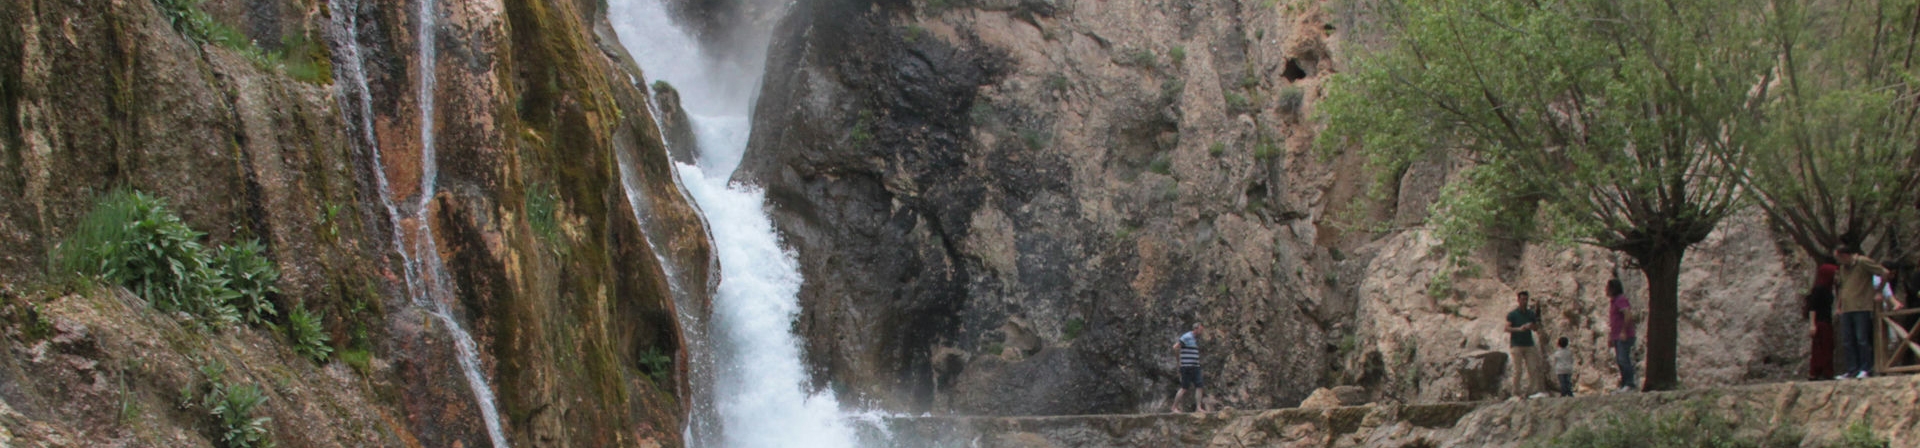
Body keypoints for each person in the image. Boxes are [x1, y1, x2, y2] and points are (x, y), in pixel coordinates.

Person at [1833, 245, 1889, 379]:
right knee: (1847, 340)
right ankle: (1852, 369)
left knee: (1861, 338)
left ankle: (1866, 368)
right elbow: (1843, 288)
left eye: (1839, 258)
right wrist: (1839, 305)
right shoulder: (1843, 269)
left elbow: (1884, 272)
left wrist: (1879, 291)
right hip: (1847, 307)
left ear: (1845, 255)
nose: (1838, 261)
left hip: (1862, 306)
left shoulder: (1863, 262)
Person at [1506, 291, 1549, 397]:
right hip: (1516, 344)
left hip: (1529, 344)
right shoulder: (1513, 314)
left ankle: (1530, 392)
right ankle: (1516, 392)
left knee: (1533, 368)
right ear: (1518, 300)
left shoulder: (1530, 314)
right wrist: (1519, 329)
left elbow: (1536, 327)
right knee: (1518, 370)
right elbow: (1507, 328)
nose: (1524, 301)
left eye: (1526, 299)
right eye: (1522, 299)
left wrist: (1531, 326)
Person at [1804, 262, 1838, 381]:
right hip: (1820, 322)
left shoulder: (1829, 289)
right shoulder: (1819, 289)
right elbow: (1813, 308)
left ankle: (1826, 371)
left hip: (1826, 321)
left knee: (1827, 347)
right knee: (1820, 348)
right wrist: (1812, 324)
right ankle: (1815, 372)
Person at [1606, 279, 1637, 393]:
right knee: (1620, 360)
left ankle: (1630, 384)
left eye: (1608, 287)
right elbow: (1614, 321)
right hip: (1617, 336)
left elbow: (1627, 315)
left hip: (1624, 335)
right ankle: (1624, 384)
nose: (1606, 290)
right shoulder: (1614, 302)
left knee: (1623, 359)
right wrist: (1611, 336)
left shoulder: (1621, 300)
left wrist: (1624, 331)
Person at [1171, 323, 1209, 413]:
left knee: (1199, 386)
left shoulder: (1195, 339)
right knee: (1184, 388)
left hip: (1195, 366)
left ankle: (1198, 407)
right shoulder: (1187, 337)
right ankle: (1174, 407)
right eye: (1200, 330)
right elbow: (1175, 347)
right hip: (1186, 366)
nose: (1201, 332)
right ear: (1195, 329)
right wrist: (1179, 361)